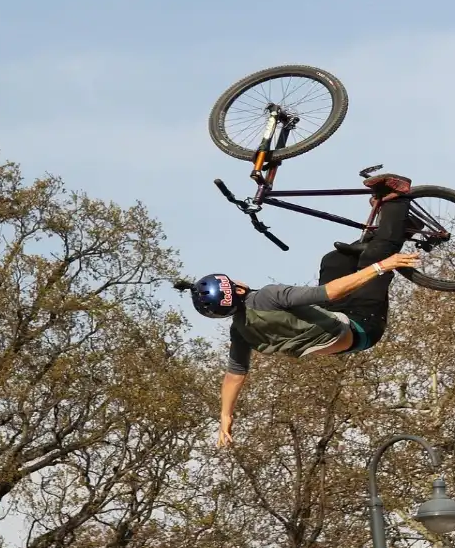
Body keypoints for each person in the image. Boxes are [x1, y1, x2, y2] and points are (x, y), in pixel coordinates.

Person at [173, 174, 422, 447]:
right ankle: (398, 200)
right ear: (238, 288)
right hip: (363, 325)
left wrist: (225, 417)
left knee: (335, 260)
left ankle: (396, 229)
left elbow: (235, 374)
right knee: (374, 259)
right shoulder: (270, 296)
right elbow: (332, 292)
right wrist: (381, 267)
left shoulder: (240, 330)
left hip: (335, 322)